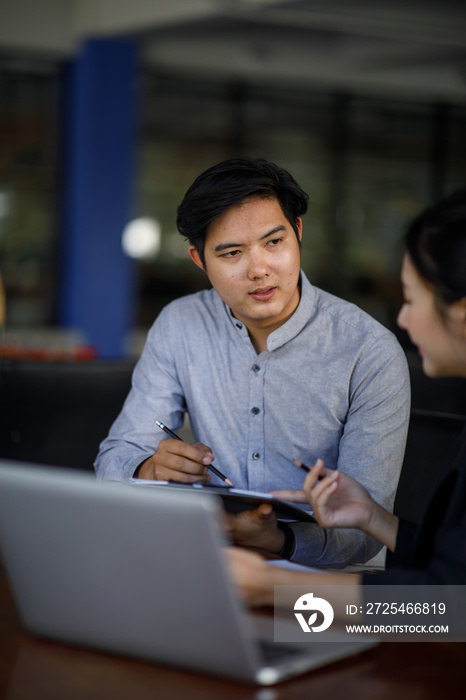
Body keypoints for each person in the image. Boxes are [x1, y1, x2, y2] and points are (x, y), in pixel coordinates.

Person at [94, 157, 410, 568]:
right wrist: (149, 468)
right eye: (231, 253)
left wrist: (280, 540)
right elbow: (114, 457)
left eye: (273, 242)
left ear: (297, 233)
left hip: (325, 586)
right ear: (198, 259)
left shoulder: (369, 351)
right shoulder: (180, 324)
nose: (259, 270)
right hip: (210, 562)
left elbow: (367, 529)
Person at [227, 188, 466, 608]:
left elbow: (447, 610)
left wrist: (272, 588)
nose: (403, 320)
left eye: (409, 300)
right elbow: (454, 568)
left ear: (460, 314)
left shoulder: (368, 348)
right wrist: (374, 519)